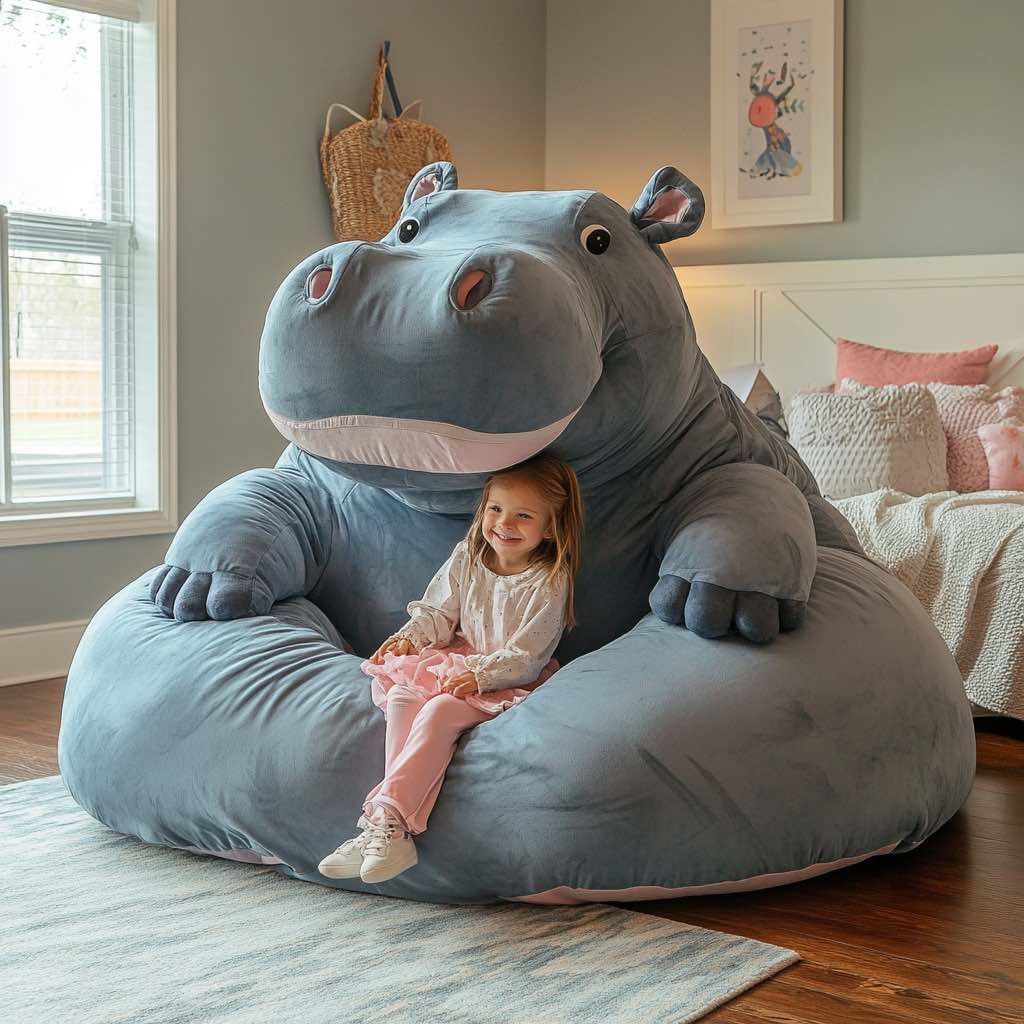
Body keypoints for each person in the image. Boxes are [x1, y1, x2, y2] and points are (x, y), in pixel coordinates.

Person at [318, 453, 584, 884]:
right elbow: (438, 613)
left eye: (523, 515)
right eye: (495, 509)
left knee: (440, 711)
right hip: (458, 660)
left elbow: (529, 655)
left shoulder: (549, 580)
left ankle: (385, 821)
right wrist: (411, 638)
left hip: (506, 677)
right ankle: (387, 829)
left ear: (550, 528)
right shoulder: (468, 556)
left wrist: (482, 676)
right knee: (403, 695)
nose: (504, 524)